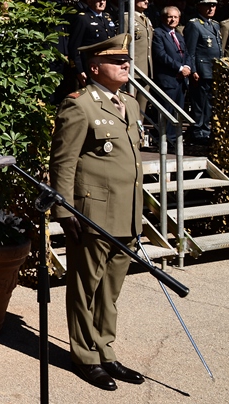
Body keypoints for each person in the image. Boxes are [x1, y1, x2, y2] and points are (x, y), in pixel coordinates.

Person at [50, 33, 145, 393]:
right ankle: (85, 358)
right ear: (94, 68)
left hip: (126, 213)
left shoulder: (131, 105)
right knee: (84, 289)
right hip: (91, 215)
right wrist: (64, 209)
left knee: (110, 292)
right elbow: (64, 162)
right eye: (116, 60)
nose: (126, 64)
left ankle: (105, 350)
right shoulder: (79, 105)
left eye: (126, 59)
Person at [184, 0, 222, 145]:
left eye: (213, 5)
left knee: (209, 103)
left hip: (213, 71)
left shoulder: (215, 24)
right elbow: (190, 51)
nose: (211, 8)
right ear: (199, 6)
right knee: (199, 103)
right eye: (207, 5)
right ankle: (198, 131)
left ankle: (205, 129)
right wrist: (193, 70)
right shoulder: (194, 24)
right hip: (200, 70)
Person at [152, 6, 190, 148]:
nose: (173, 19)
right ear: (163, 18)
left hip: (180, 79)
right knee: (166, 111)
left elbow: (186, 53)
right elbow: (160, 55)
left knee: (178, 111)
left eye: (175, 17)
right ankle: (165, 140)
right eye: (170, 17)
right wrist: (179, 67)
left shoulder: (178, 35)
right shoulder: (158, 33)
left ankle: (174, 139)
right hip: (167, 79)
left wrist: (187, 67)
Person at [66, 0, 117, 90]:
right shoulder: (83, 19)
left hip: (108, 65)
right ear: (89, 0)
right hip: (90, 66)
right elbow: (74, 47)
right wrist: (79, 70)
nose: (102, 2)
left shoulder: (107, 18)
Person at [131, 0, 154, 118]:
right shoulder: (127, 18)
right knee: (130, 105)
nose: (146, 1)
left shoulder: (146, 19)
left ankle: (139, 134)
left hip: (146, 70)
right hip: (134, 69)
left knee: (142, 108)